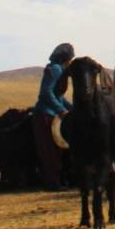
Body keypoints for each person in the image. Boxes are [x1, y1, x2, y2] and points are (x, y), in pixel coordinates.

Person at [32, 43, 74, 191]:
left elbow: (59, 96)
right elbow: (46, 92)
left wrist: (72, 108)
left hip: (50, 113)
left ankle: (55, 181)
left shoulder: (59, 69)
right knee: (50, 150)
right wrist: (60, 109)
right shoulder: (56, 69)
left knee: (54, 149)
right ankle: (52, 183)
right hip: (46, 114)